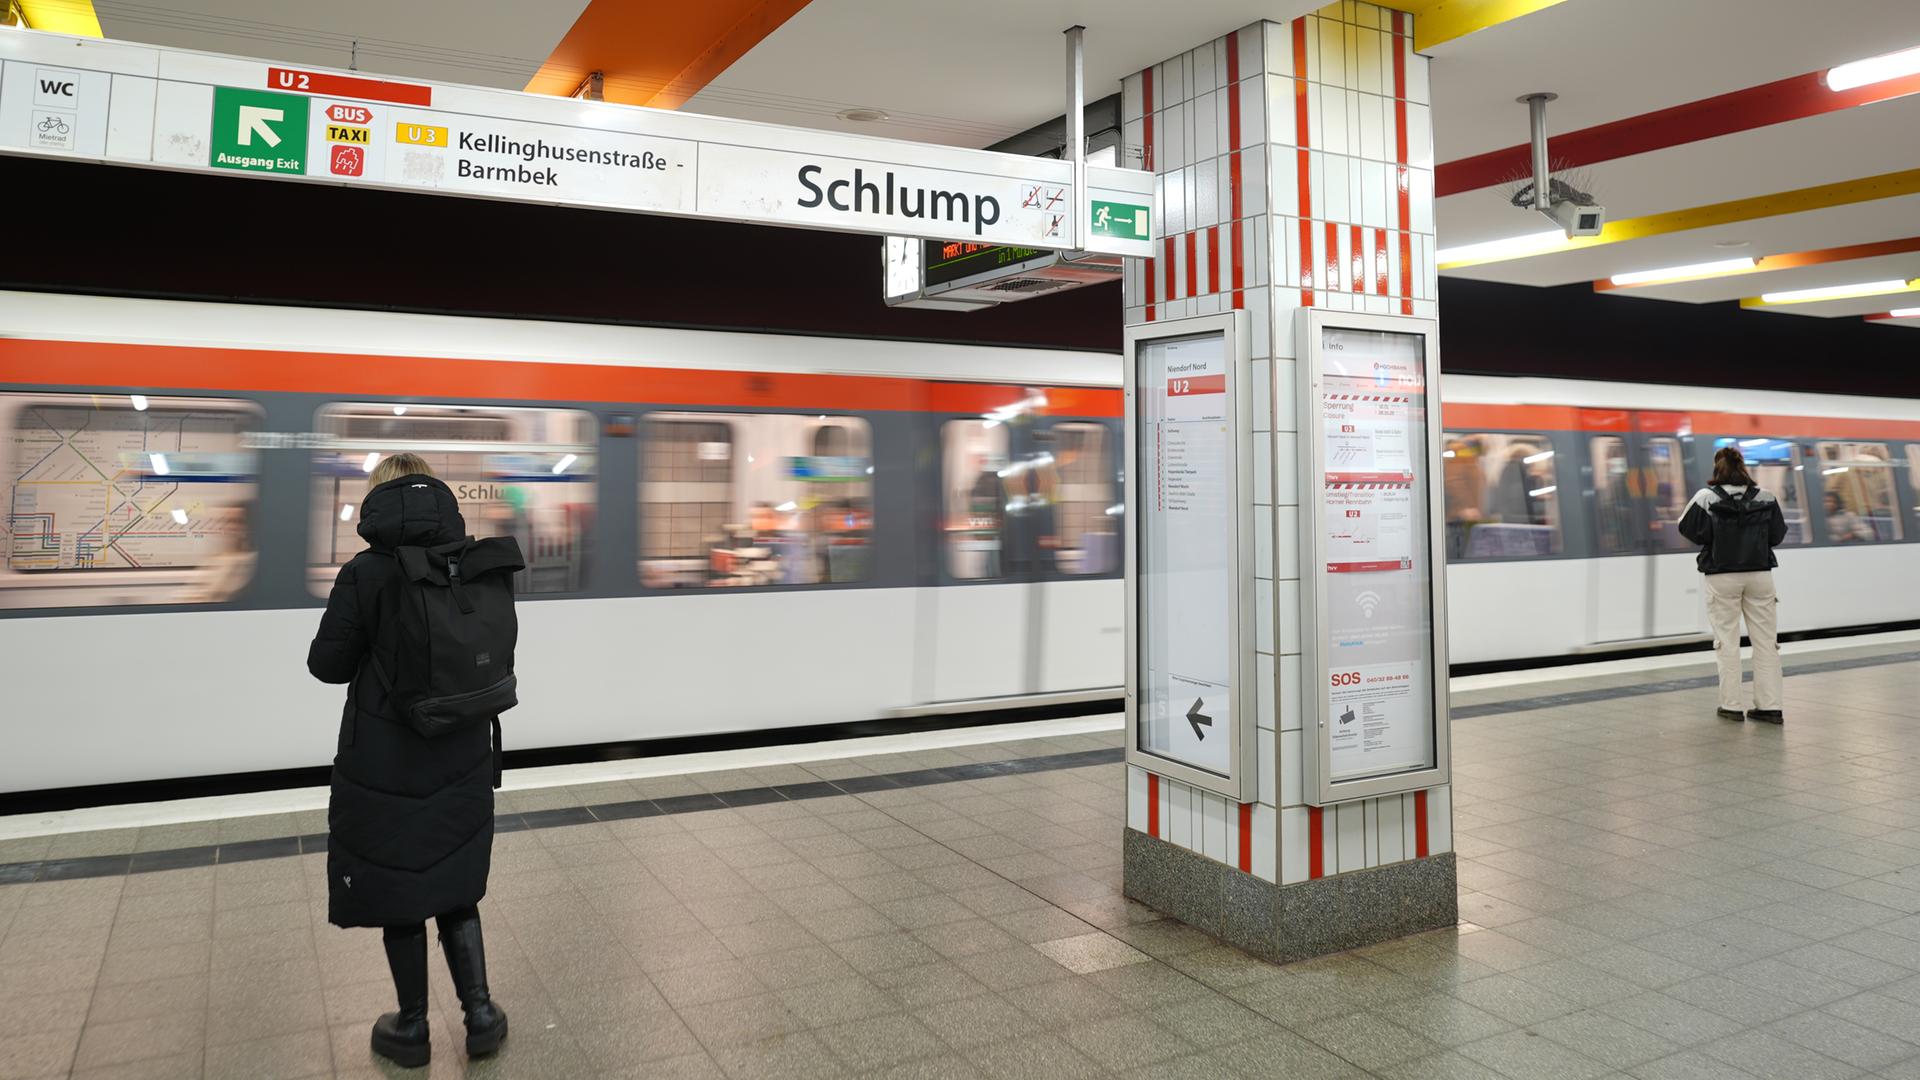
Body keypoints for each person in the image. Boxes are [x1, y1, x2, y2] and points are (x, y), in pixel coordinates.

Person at [307, 453, 508, 1068]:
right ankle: (480, 1015)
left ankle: (413, 1027)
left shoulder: (365, 572)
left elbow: (327, 666)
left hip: (387, 753)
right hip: (463, 743)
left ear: (377, 501)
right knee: (452, 875)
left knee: (399, 886)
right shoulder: (467, 565)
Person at [1678, 446, 1790, 724]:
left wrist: (1714, 535)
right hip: (1760, 576)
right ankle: (1769, 707)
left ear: (1717, 469)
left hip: (1722, 576)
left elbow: (1686, 527)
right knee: (1766, 642)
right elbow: (1777, 536)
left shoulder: (1705, 498)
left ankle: (1731, 706)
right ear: (1744, 468)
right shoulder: (1766, 496)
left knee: (1727, 641)